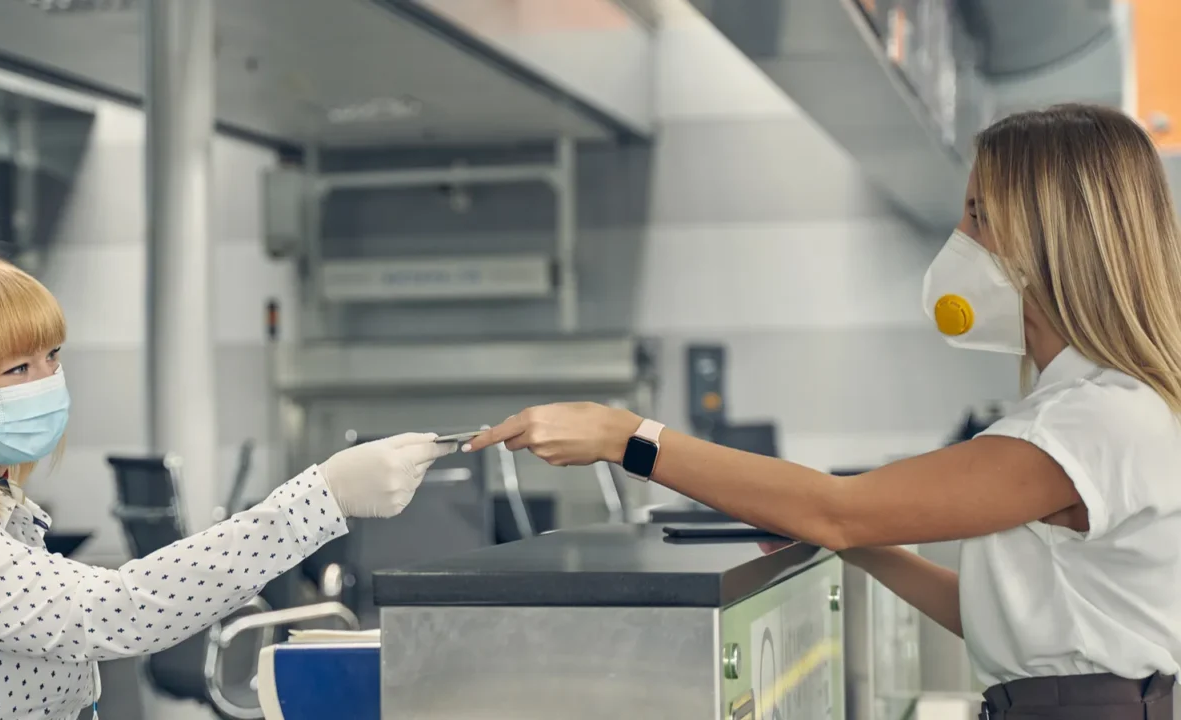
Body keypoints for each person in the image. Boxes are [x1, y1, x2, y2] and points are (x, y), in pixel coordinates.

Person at [466, 104, 1180, 719]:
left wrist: (628, 438)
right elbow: (991, 620)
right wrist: (844, 538)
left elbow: (841, 507)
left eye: (978, 215)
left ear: (1050, 236)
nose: (962, 238)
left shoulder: (1091, 422)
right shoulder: (1097, 408)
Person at [0, 244, 452, 719]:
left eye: (52, 357)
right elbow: (113, 609)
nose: (48, 383)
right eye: (17, 370)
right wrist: (320, 499)